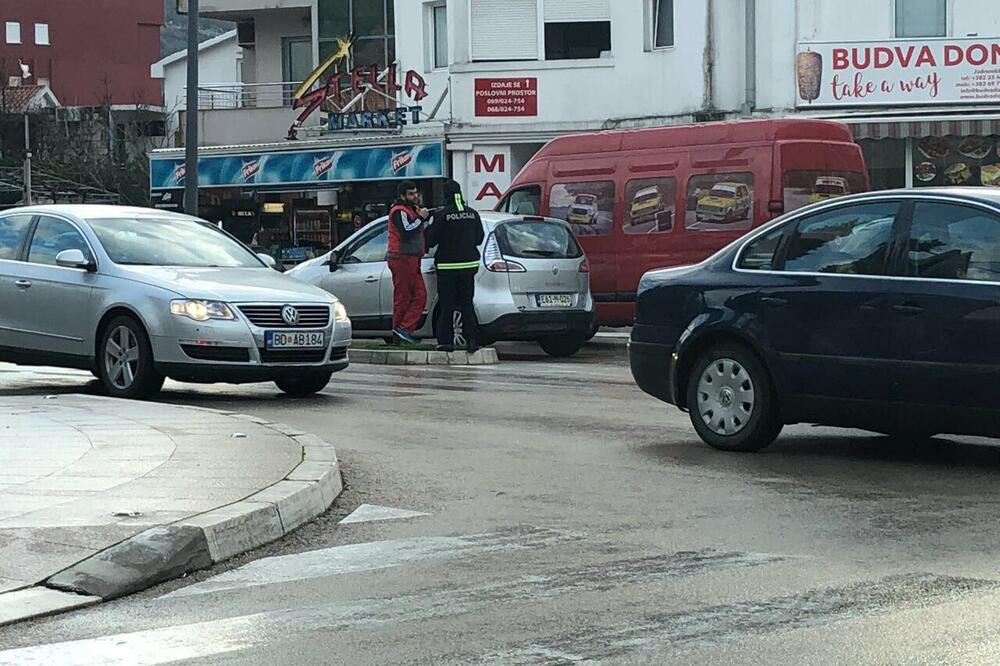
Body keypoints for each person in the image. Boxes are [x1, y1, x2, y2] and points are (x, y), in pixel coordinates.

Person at [427, 180, 485, 353]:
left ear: (445, 196)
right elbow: (479, 238)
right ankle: (472, 340)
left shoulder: (442, 215)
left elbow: (430, 240)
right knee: (467, 303)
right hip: (469, 267)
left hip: (447, 267)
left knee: (447, 305)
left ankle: (447, 343)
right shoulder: (473, 214)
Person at [386, 181, 429, 343]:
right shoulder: (399, 211)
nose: (415, 196)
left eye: (416, 193)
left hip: (413, 258)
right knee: (403, 297)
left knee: (420, 295)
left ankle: (403, 330)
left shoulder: (412, 210)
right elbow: (407, 231)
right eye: (411, 194)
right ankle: (399, 332)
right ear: (403, 195)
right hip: (401, 258)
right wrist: (421, 218)